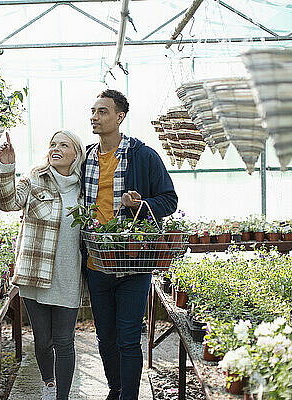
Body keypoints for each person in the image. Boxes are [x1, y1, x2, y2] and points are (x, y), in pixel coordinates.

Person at [81, 89, 177, 400]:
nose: (94, 117)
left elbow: (169, 200)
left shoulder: (143, 156)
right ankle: (116, 387)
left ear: (120, 117)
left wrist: (141, 204)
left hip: (134, 263)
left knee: (127, 338)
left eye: (102, 112)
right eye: (93, 111)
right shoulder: (85, 158)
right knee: (105, 337)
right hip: (97, 263)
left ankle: (129, 396)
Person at [0, 130, 85, 400]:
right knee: (43, 342)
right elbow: (7, 202)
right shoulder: (33, 179)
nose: (56, 148)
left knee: (65, 341)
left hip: (68, 275)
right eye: (52, 143)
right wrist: (7, 165)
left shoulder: (86, 187)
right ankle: (49, 385)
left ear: (76, 154)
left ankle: (62, 397)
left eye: (63, 144)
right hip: (35, 273)